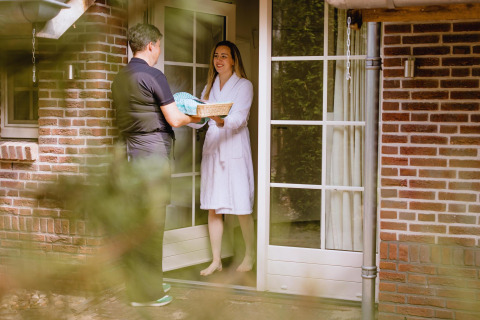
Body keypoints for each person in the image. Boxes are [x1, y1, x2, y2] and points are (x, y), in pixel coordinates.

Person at [111, 23, 200, 307]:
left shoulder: (119, 78)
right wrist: (198, 117)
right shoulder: (153, 75)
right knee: (152, 226)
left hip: (131, 157)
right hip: (153, 158)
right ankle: (146, 295)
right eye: (159, 45)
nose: (159, 50)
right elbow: (174, 118)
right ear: (150, 45)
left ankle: (142, 285)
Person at [191, 40, 255, 276]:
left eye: (224, 56)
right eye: (216, 56)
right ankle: (216, 260)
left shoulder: (244, 86)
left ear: (234, 60)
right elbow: (199, 122)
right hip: (214, 147)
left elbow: (239, 118)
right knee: (214, 207)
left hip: (234, 147)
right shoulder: (209, 88)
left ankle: (250, 253)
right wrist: (189, 116)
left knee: (241, 206)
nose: (219, 60)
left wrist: (219, 119)